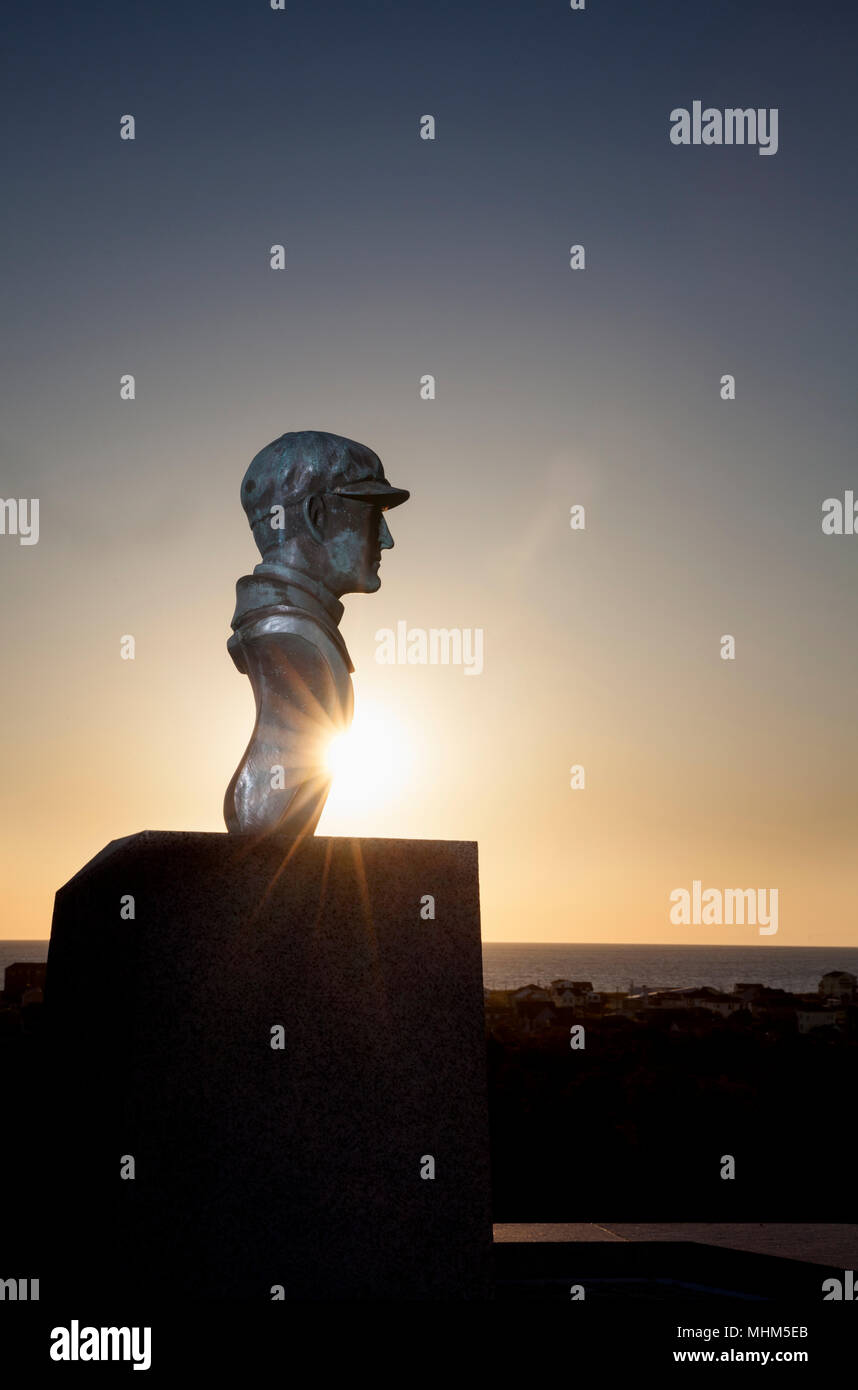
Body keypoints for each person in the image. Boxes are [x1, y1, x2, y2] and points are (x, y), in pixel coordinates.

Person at [224, 430, 409, 838]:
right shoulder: (296, 640)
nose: (387, 539)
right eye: (371, 515)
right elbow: (261, 819)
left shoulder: (302, 634)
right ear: (316, 517)